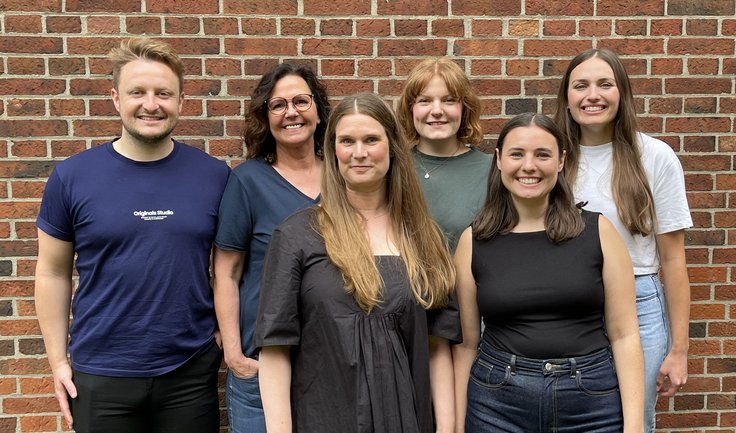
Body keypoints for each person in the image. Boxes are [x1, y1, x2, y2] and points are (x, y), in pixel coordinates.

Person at [34, 37, 230, 433]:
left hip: (189, 371)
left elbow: (231, 266)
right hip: (100, 371)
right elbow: (52, 272)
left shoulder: (214, 176)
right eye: (137, 92)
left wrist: (226, 331)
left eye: (164, 93)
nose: (151, 104)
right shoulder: (72, 177)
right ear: (115, 99)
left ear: (181, 101)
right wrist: (58, 362)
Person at [256, 93, 461, 433]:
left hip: (409, 420)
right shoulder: (297, 236)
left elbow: (437, 346)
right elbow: (276, 349)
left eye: (371, 140)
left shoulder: (424, 237)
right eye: (347, 141)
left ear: (392, 147)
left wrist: (447, 428)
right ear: (333, 149)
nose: (359, 153)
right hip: (324, 418)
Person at [453, 113, 644, 432]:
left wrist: (635, 426)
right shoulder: (473, 242)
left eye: (542, 154)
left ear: (560, 161)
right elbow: (466, 345)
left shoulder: (598, 232)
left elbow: (625, 335)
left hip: (591, 401)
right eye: (517, 154)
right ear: (499, 160)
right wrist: (458, 425)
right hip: (497, 402)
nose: (529, 166)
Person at [554, 48, 693, 433]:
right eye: (580, 85)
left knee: (633, 421)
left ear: (622, 93)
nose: (592, 95)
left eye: (605, 84)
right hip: (569, 304)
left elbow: (674, 260)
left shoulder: (654, 156)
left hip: (639, 302)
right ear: (566, 97)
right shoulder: (551, 156)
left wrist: (678, 350)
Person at [212, 64, 330, 433]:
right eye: (278, 105)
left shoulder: (345, 178)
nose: (291, 112)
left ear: (319, 110)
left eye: (301, 101)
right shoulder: (247, 182)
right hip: (260, 364)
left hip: (333, 363)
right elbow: (226, 272)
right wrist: (234, 355)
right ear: (266, 117)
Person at [396, 58, 491, 252]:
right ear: (410, 109)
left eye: (449, 100)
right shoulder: (393, 167)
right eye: (425, 101)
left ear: (464, 108)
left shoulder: (493, 170)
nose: (437, 111)